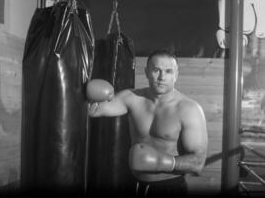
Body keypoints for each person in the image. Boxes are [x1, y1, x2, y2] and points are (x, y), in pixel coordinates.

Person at [87, 50, 208, 197]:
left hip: (170, 187)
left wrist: (161, 162)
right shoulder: (131, 98)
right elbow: (94, 111)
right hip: (135, 184)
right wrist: (89, 95)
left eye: (168, 71)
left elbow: (198, 163)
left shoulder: (189, 109)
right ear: (146, 72)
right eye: (156, 70)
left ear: (176, 75)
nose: (162, 77)